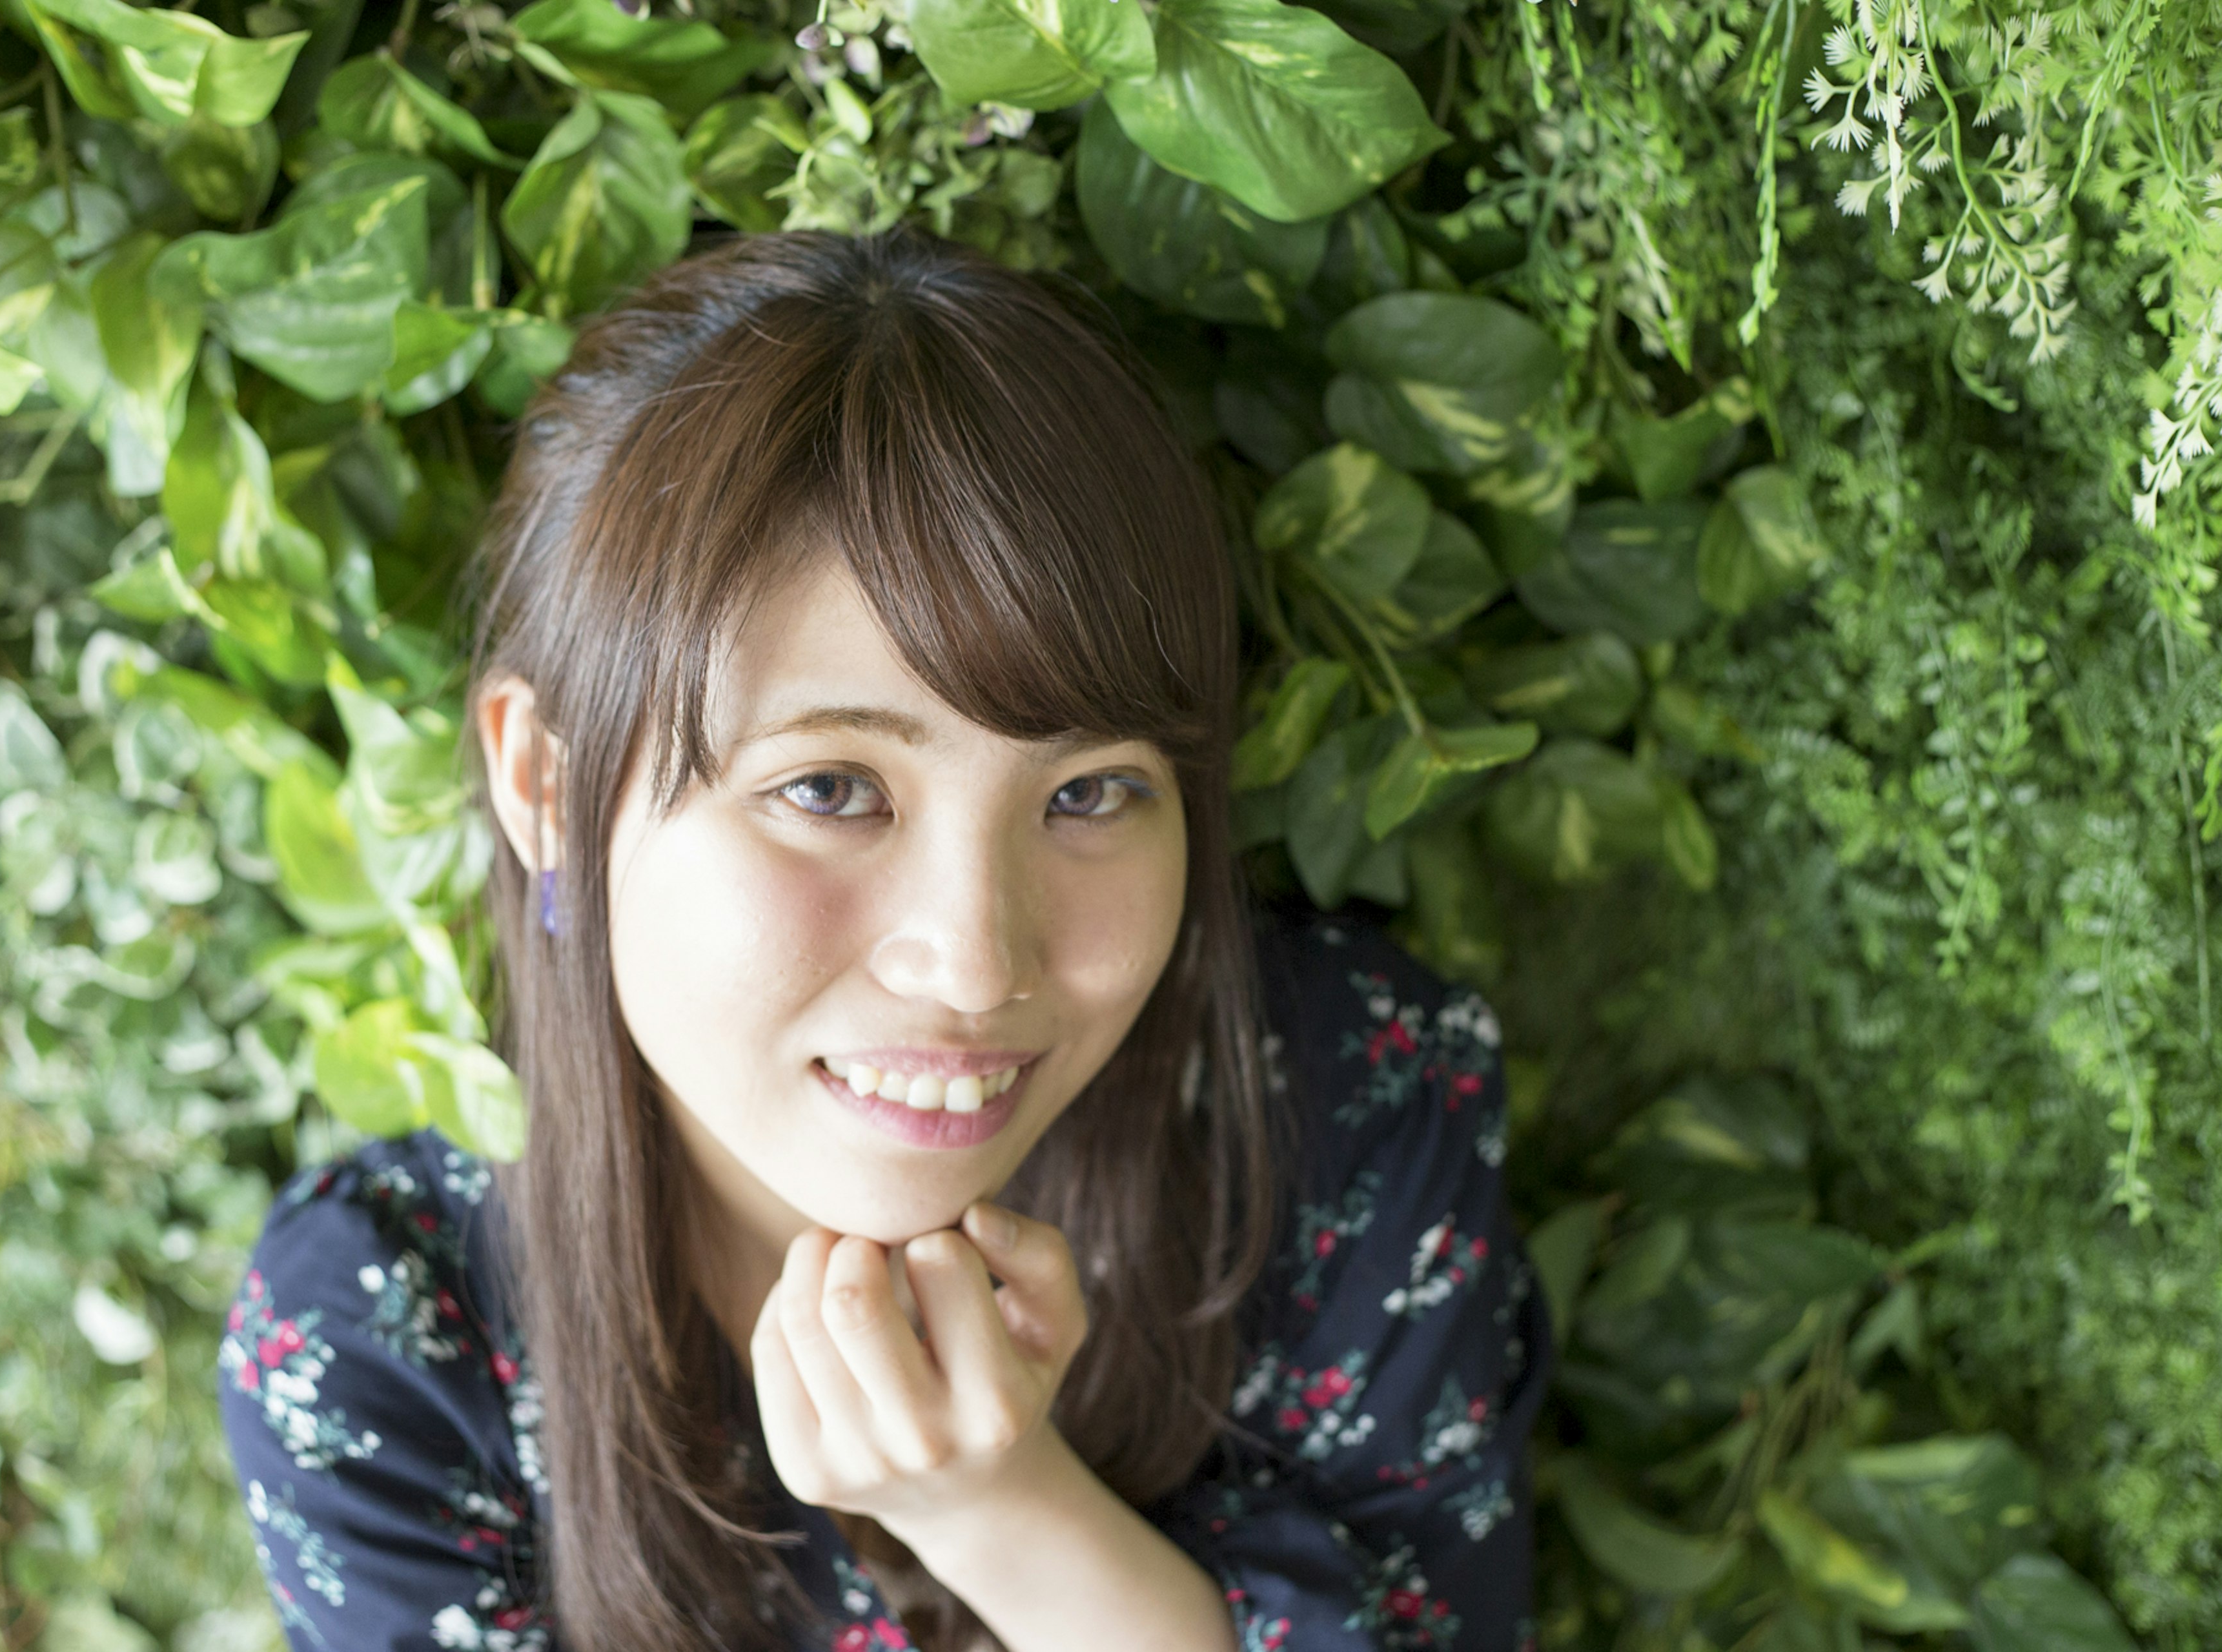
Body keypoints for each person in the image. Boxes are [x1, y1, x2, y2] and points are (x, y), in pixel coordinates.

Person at [216, 228, 1549, 1652]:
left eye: (1090, 791)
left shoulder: (1342, 1114)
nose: (976, 962)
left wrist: (1008, 1516)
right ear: (546, 786)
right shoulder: (391, 1350)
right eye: (831, 789)